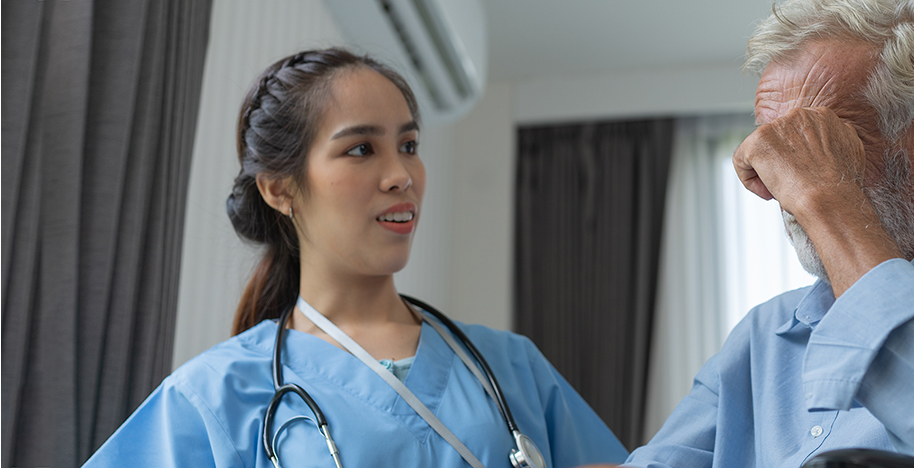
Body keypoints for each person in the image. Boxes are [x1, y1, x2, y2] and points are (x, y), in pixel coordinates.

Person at [82, 48, 628, 467]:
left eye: (409, 146)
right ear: (279, 188)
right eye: (361, 149)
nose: (402, 176)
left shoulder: (511, 370)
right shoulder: (215, 395)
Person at [621, 0, 914, 467]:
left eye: (817, 143)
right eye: (776, 149)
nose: (784, 186)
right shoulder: (761, 337)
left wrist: (826, 197)